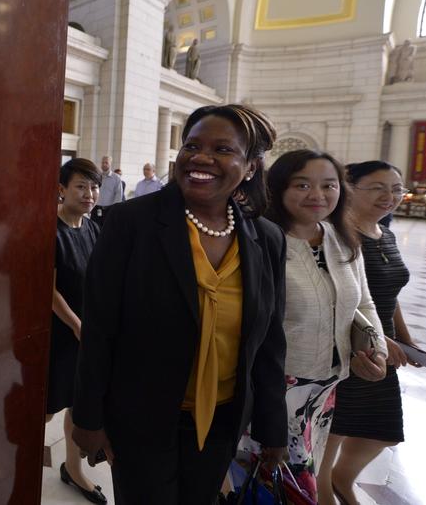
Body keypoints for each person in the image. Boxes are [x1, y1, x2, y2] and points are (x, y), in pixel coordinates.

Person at [72, 104, 288, 504]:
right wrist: (87, 418)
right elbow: (100, 329)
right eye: (192, 145)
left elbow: (270, 342)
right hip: (141, 417)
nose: (201, 157)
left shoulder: (266, 239)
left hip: (222, 420)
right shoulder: (130, 224)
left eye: (223, 149)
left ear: (251, 167)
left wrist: (274, 426)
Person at [261, 150, 388, 503]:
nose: (317, 195)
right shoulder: (262, 240)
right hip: (275, 389)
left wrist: (375, 350)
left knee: (296, 480)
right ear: (278, 189)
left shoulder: (341, 238)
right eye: (302, 185)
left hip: (325, 387)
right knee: (286, 485)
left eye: (328, 185)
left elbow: (364, 303)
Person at [322, 161, 424, 505]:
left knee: (381, 430)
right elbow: (335, 300)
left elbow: (389, 295)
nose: (390, 196)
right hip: (348, 348)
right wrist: (383, 339)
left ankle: (342, 478)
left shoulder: (386, 234)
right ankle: (326, 492)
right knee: (329, 436)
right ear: (348, 188)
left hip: (382, 348)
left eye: (397, 189)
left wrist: (405, 340)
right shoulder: (334, 237)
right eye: (379, 187)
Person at [47, 158, 105, 504]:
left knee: (76, 403)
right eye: (81, 186)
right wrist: (76, 324)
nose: (89, 193)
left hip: (88, 331)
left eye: (93, 186)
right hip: (59, 333)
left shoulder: (92, 229)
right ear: (62, 189)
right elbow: (49, 291)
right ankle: (16, 465)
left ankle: (72, 468)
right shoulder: (50, 230)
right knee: (48, 406)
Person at [92, 155, 124, 225]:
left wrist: (115, 209)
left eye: (106, 163)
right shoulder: (97, 176)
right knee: (94, 228)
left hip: (109, 209)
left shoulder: (116, 178)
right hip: (96, 208)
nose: (104, 164)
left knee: (107, 228)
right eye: (102, 163)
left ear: (110, 164)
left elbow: (118, 195)